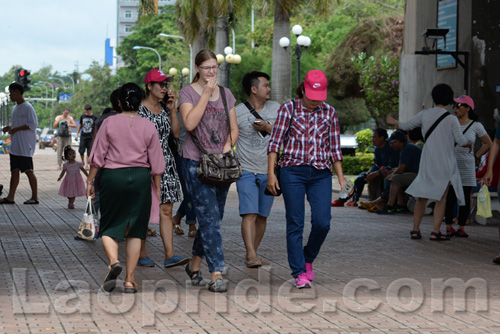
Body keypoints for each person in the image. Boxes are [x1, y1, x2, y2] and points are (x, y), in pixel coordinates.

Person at [267, 70, 345, 289]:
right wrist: (272, 174)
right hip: (293, 172)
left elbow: (335, 149)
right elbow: (274, 144)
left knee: (323, 222)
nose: (315, 102)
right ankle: (299, 271)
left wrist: (341, 179)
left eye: (319, 98)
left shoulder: (329, 112)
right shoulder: (288, 109)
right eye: (311, 97)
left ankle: (307, 257)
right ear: (303, 90)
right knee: (295, 222)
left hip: (320, 173)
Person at [86, 83, 165, 294]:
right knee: (136, 231)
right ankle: (130, 280)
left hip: (113, 177)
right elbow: (157, 163)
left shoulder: (109, 123)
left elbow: (97, 156)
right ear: (140, 102)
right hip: (140, 178)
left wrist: (90, 182)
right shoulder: (148, 125)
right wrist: (157, 190)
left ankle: (113, 262)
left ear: (119, 102)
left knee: (109, 227)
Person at [179, 49, 238, 293]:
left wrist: (226, 147)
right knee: (210, 219)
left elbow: (233, 129)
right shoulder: (188, 92)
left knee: (213, 218)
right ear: (197, 68)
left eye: (215, 67)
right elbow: (190, 123)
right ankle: (216, 274)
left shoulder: (226, 94)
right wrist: (205, 93)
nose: (212, 72)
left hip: (221, 165)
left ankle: (194, 265)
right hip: (195, 163)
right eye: (207, 68)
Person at [386, 83, 471, 241]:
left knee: (422, 196)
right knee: (442, 197)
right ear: (449, 99)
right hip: (445, 161)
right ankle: (435, 231)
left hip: (428, 159)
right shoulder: (452, 119)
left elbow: (407, 125)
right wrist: (469, 143)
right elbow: (460, 140)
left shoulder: (425, 114)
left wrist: (394, 122)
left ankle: (416, 229)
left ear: (434, 97)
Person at [137, 69, 187, 269]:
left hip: (166, 163)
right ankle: (141, 252)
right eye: (160, 84)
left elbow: (175, 134)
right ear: (149, 86)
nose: (164, 88)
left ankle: (170, 254)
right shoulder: (139, 110)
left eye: (166, 84)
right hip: (144, 165)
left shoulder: (166, 110)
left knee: (167, 209)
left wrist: (172, 109)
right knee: (142, 210)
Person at [235, 71, 280, 268]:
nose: (269, 89)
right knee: (249, 213)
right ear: (254, 89)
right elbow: (230, 137)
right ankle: (252, 254)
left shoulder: (277, 108)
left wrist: (267, 128)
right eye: (265, 85)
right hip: (245, 170)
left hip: (269, 171)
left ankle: (252, 251)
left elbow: (286, 134)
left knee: (262, 216)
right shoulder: (237, 112)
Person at [444, 95, 491, 238]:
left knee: (464, 196)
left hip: (467, 166)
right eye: (454, 105)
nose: (455, 108)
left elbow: (488, 142)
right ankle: (448, 226)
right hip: (451, 164)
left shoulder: (476, 125)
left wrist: (477, 155)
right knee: (450, 196)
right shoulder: (450, 123)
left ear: (468, 108)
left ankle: (462, 227)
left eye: (459, 105)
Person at [332, 128, 399, 207]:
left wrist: (376, 173)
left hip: (388, 173)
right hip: (378, 172)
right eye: (372, 137)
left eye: (374, 137)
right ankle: (346, 200)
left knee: (369, 178)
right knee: (360, 178)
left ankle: (353, 200)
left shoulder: (391, 148)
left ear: (382, 138)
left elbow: (392, 166)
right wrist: (370, 172)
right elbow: (376, 164)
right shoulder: (377, 149)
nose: (372, 139)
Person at [0, 83, 39, 205]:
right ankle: (10, 197)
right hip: (15, 146)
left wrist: (16, 129)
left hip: (25, 145)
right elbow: (19, 124)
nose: (10, 95)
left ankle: (35, 197)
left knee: (28, 171)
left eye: (11, 93)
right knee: (14, 171)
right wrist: (10, 128)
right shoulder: (15, 108)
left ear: (17, 92)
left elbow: (32, 124)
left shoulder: (27, 107)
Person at [376, 130, 422, 214]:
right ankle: (400, 205)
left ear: (397, 141)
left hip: (420, 176)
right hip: (417, 173)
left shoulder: (407, 149)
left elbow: (401, 169)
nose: (390, 145)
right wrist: (392, 171)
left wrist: (391, 175)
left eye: (391, 142)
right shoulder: (407, 147)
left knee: (395, 178)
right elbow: (403, 168)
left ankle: (390, 206)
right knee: (397, 178)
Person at [75, 104, 97, 169]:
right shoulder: (83, 116)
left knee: (89, 152)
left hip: (91, 137)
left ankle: (87, 164)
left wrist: (96, 136)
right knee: (81, 151)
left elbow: (95, 127)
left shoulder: (94, 117)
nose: (87, 112)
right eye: (86, 111)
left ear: (90, 110)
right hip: (83, 136)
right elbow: (80, 125)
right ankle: (83, 162)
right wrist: (77, 134)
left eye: (88, 111)